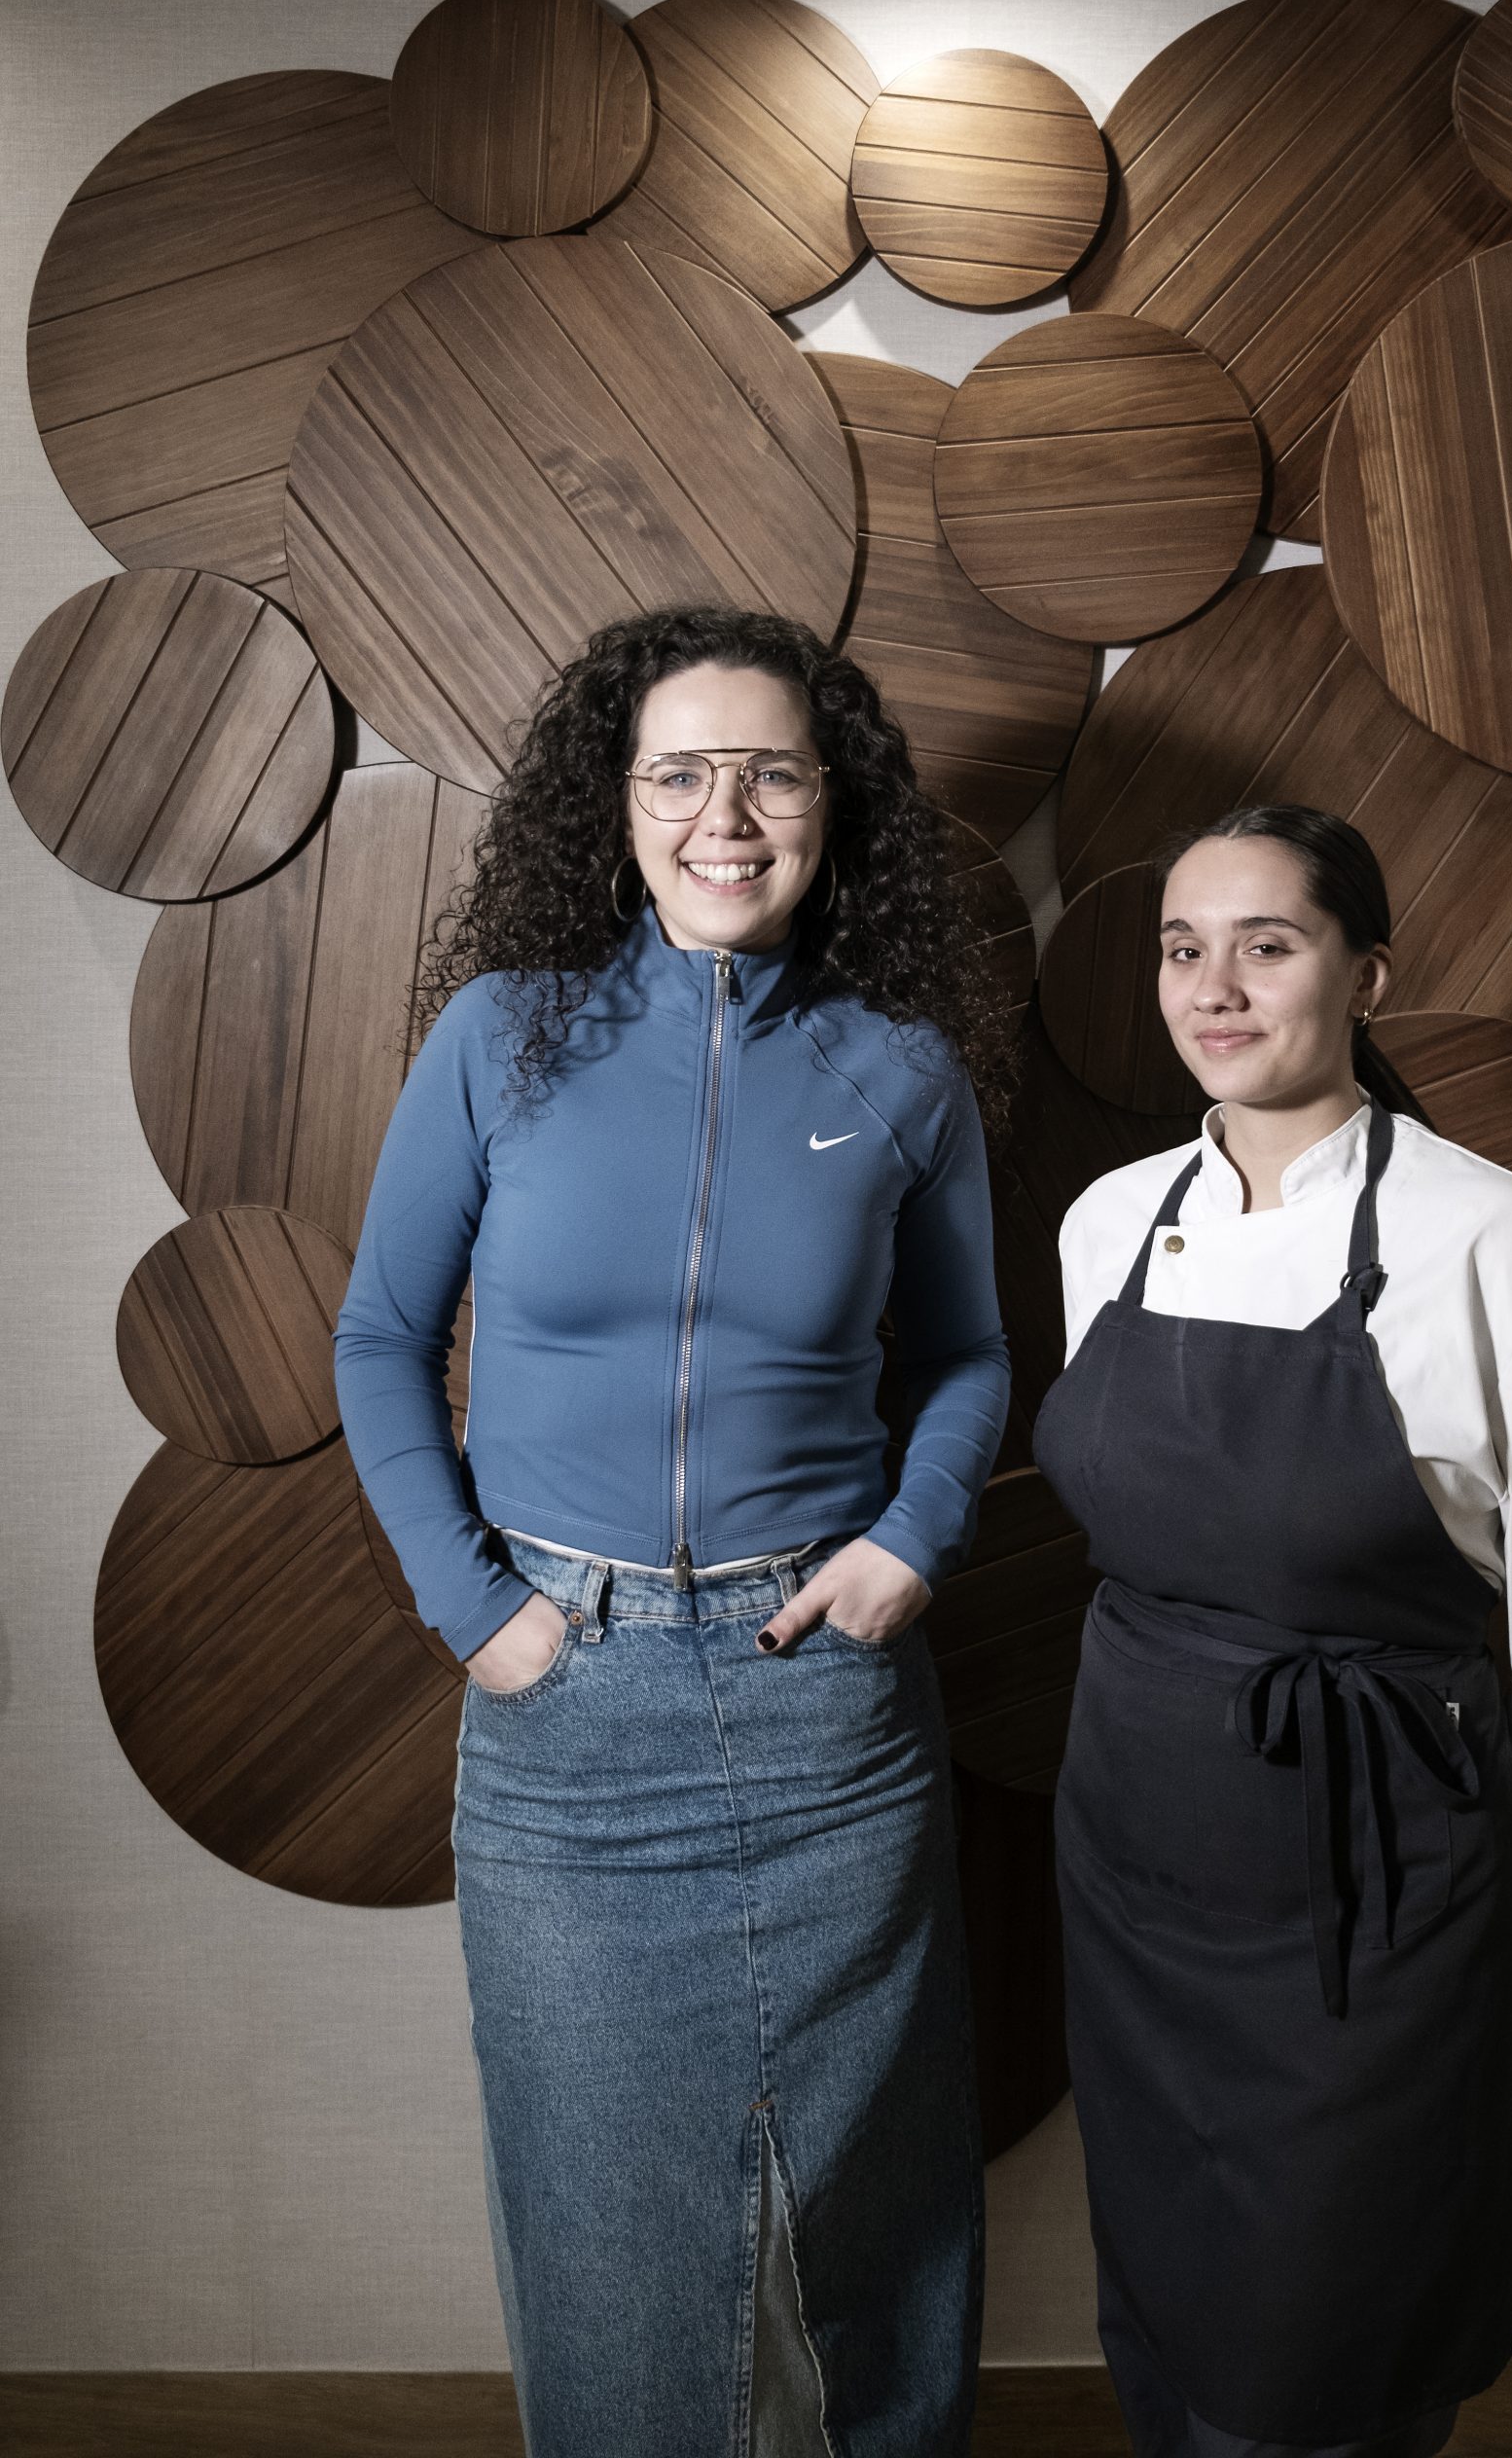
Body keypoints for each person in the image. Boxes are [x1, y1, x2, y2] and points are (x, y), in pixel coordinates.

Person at [334, 606, 1013, 2458]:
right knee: (605, 2231)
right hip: (568, 1708)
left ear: (832, 802)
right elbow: (382, 1335)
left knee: (875, 2217)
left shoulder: (902, 1073)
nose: (729, 814)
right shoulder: (503, 1039)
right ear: (615, 809)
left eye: (772, 771)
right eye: (680, 774)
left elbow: (965, 1355)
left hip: (827, 1710)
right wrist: (480, 1615)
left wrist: (911, 1544)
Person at [1034, 804, 1512, 2458]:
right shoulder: (1107, 1226)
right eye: (1184, 949)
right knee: (1171, 2269)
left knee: (1334, 2299)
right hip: (1134, 1834)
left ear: (1367, 973)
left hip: (1372, 1841)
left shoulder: (1508, 1241)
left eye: (1270, 943)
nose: (1215, 987)